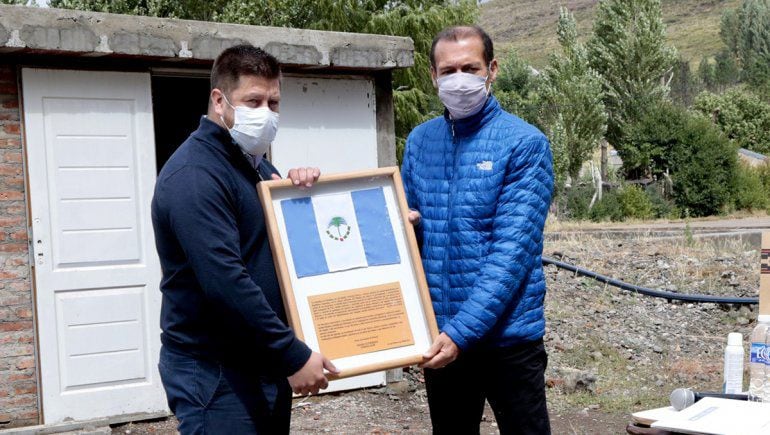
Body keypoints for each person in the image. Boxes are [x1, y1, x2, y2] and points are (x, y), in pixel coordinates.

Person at [151, 44, 337, 434]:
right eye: (253, 100)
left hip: (259, 363)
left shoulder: (256, 167)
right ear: (219, 101)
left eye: (273, 102)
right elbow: (225, 281)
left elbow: (281, 251)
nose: (266, 114)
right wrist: (292, 355)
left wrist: (300, 197)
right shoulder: (196, 175)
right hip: (217, 374)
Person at [401, 26, 554, 434]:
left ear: (492, 70)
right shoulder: (419, 142)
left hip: (508, 340)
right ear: (433, 77)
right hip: (444, 340)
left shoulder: (524, 144)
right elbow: (413, 244)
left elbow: (512, 253)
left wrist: (459, 333)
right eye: (448, 70)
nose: (459, 79)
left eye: (470, 67)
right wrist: (401, 230)